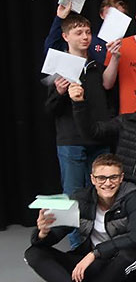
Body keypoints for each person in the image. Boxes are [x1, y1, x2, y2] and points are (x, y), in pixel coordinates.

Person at [25, 154, 136, 282]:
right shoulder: (81, 199)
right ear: (93, 179)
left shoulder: (134, 197)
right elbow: (57, 233)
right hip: (89, 265)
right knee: (33, 253)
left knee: (130, 257)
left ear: (121, 178)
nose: (108, 183)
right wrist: (43, 232)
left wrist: (94, 253)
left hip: (116, 264)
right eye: (101, 178)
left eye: (113, 177)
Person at [46, 12, 111, 196]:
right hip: (71, 140)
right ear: (65, 36)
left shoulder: (96, 65)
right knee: (73, 193)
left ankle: (97, 226)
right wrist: (59, 93)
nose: (85, 37)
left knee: (101, 192)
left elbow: (106, 99)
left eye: (88, 32)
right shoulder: (57, 67)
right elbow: (49, 109)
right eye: (79, 32)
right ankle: (75, 227)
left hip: (98, 138)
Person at [44, 0, 129, 66]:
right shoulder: (88, 40)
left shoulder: (129, 43)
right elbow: (51, 50)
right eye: (111, 14)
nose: (114, 18)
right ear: (102, 15)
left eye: (120, 15)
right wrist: (60, 18)